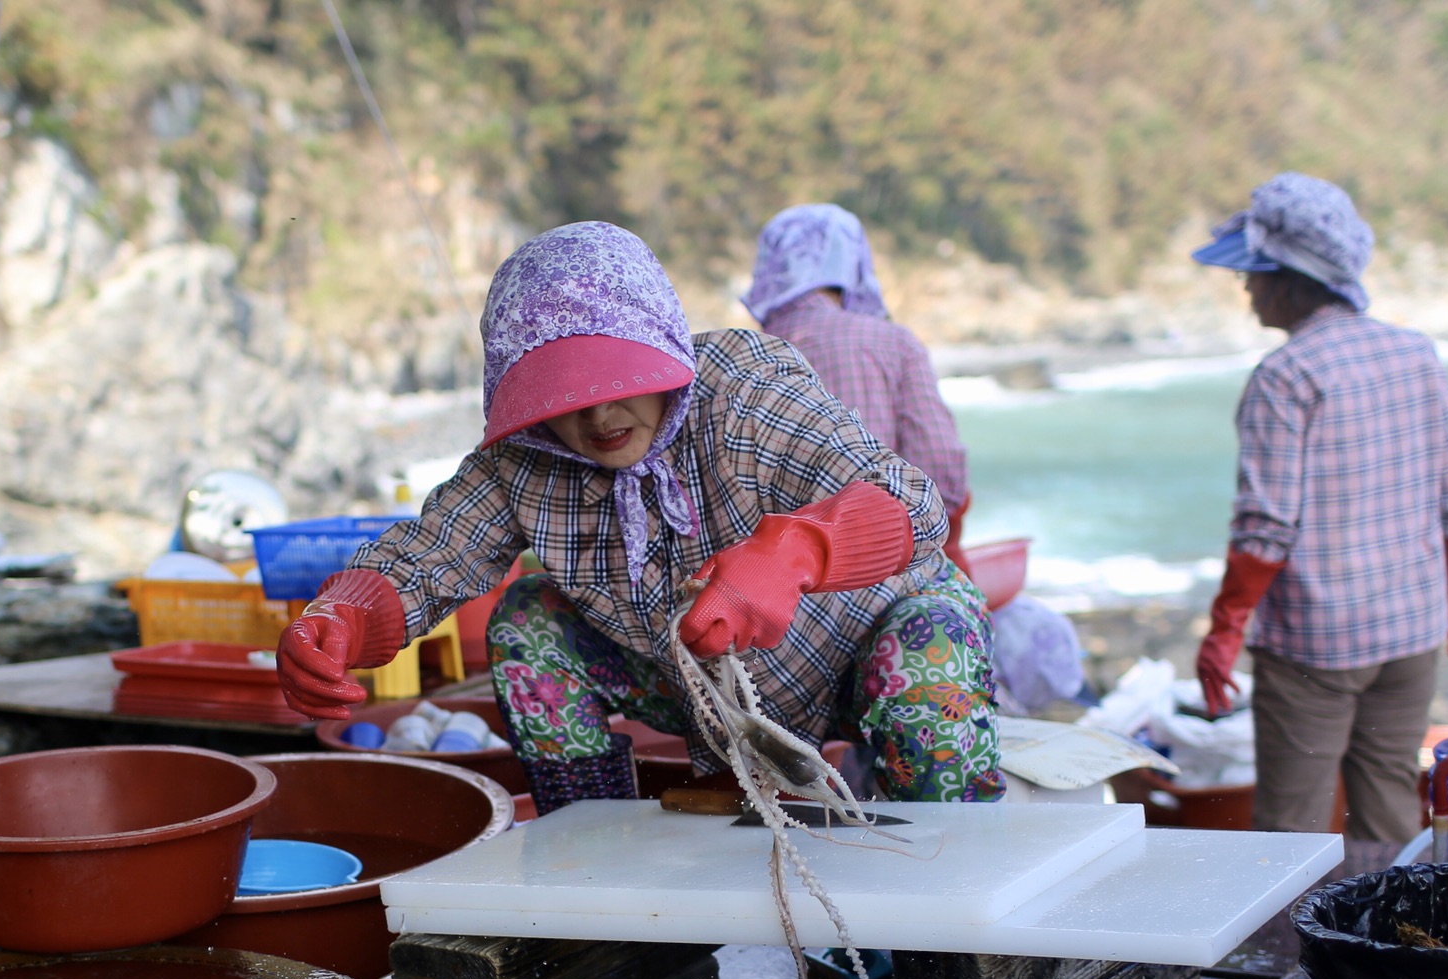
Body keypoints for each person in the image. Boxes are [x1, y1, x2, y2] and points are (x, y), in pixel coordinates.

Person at [277, 221, 1005, 811]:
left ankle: (966, 938)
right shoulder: (523, 464)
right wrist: (344, 617)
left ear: (661, 348)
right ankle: (604, 889)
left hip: (870, 640)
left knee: (925, 673)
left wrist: (792, 555)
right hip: (717, 701)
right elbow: (426, 556)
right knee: (529, 617)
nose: (599, 414)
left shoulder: (743, 392)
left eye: (618, 380)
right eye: (565, 395)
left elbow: (912, 501)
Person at [1191, 172, 1448, 843]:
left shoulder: (1286, 376)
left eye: (1256, 273)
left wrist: (1224, 631)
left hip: (1314, 650)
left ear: (1293, 280)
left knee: (1291, 833)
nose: (1247, 288)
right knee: (1389, 813)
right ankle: (1391, 944)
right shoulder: (1415, 353)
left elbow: (1265, 530)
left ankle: (1298, 949)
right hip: (1411, 633)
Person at [743, 204, 973, 570]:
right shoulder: (892, 341)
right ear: (852, 263)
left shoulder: (740, 356)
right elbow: (940, 462)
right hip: (881, 570)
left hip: (768, 582)